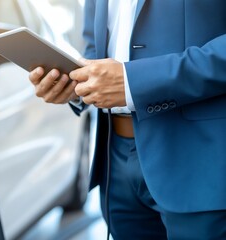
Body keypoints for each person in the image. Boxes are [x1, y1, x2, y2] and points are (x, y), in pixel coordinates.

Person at [28, 0, 226, 239]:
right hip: (114, 159)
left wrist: (134, 81)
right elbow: (94, 47)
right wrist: (75, 86)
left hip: (199, 160)